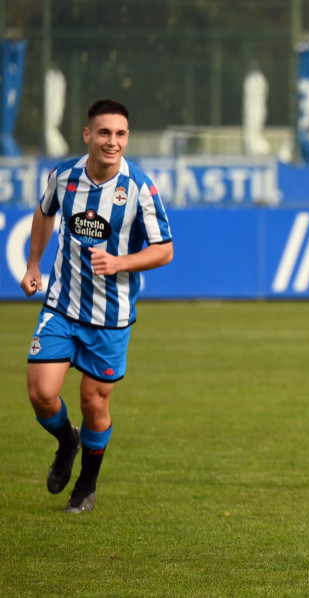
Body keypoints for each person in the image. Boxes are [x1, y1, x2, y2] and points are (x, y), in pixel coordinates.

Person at [20, 99, 174, 513]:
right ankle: (67, 441)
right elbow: (43, 213)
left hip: (110, 318)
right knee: (41, 393)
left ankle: (86, 486)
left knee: (94, 403)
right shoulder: (63, 176)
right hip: (62, 306)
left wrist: (121, 262)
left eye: (120, 134)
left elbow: (165, 250)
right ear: (88, 135)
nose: (113, 142)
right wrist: (34, 264)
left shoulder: (140, 188)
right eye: (104, 133)